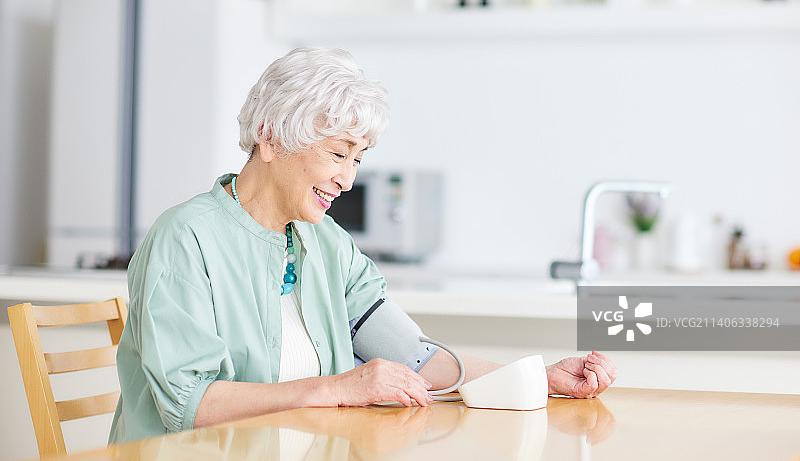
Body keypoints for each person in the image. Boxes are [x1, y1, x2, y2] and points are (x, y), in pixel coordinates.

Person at [109, 47, 617, 443]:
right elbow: (189, 404)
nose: (347, 179)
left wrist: (536, 376)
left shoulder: (326, 243)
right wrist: (336, 389)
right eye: (337, 153)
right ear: (269, 137)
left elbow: (413, 359)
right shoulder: (185, 239)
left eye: (359, 158)